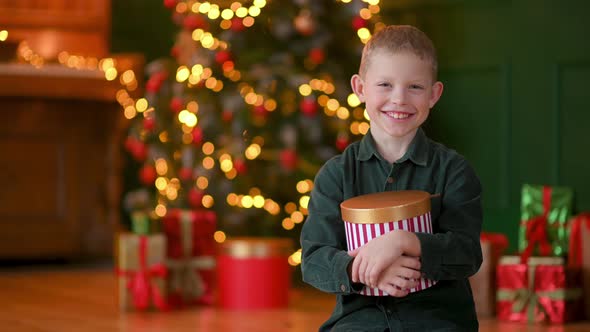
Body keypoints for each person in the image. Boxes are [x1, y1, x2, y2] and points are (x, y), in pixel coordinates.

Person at [300, 25, 483, 331]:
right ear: (360, 88)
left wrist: (404, 240)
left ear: (434, 94)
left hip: (437, 321)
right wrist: (367, 271)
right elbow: (314, 259)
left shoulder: (454, 170)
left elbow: (466, 253)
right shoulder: (336, 174)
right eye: (385, 84)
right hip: (359, 321)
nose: (399, 99)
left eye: (415, 87)